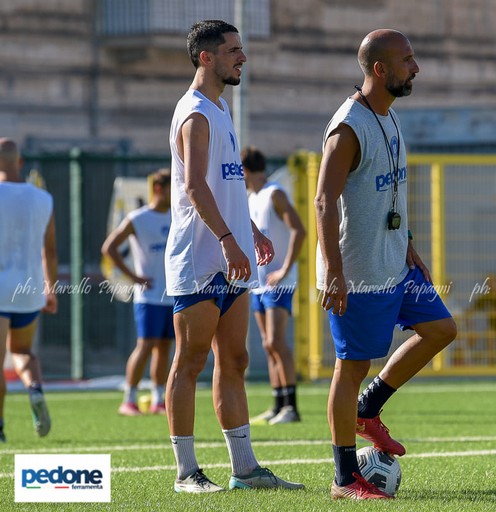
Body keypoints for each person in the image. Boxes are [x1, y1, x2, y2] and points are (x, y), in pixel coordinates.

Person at [315, 29, 457, 500]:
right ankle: (343, 478)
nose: (416, 67)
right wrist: (334, 272)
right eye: (408, 60)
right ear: (380, 69)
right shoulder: (348, 127)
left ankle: (368, 409)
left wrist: (409, 241)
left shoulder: (389, 117)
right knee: (350, 367)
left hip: (396, 262)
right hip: (358, 273)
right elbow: (323, 202)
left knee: (441, 330)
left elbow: (387, 192)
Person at [165, 20, 304, 493]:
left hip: (233, 255)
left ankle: (245, 470)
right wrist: (227, 238)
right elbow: (194, 186)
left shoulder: (221, 108)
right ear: (207, 57)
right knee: (190, 360)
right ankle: (186, 472)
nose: (242, 57)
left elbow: (226, 186)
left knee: (237, 359)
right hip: (201, 259)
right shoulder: (196, 113)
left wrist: (252, 229)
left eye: (241, 49)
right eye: (233, 51)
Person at [241, 147, 306, 426]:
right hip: (258, 282)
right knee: (268, 346)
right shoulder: (250, 197)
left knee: (275, 341)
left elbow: (299, 230)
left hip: (279, 282)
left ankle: (292, 407)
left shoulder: (274, 193)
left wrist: (284, 269)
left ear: (245, 170)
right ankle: (277, 403)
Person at [102, 169, 174, 417]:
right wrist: (133, 277)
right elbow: (109, 247)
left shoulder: (178, 216)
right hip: (149, 296)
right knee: (145, 345)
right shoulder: (138, 218)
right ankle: (129, 399)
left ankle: (158, 399)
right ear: (158, 188)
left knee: (165, 347)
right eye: (171, 186)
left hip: (173, 295)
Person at [0, 137, 57, 441]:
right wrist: (51, 288)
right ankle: (34, 389)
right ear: (20, 162)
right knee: (22, 351)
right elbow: (50, 251)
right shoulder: (43, 198)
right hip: (29, 288)